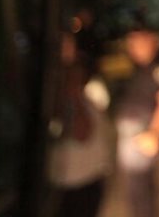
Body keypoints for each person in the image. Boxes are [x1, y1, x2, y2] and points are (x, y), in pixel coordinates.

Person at [115, 10, 159, 217]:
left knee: (141, 193)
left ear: (152, 41)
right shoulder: (135, 66)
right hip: (131, 136)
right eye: (131, 42)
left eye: (139, 41)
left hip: (144, 135)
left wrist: (155, 133)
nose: (134, 47)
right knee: (136, 192)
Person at [48, 30, 112, 217]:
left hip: (82, 182)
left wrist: (72, 92)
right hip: (62, 181)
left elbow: (82, 133)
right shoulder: (55, 93)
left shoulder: (90, 92)